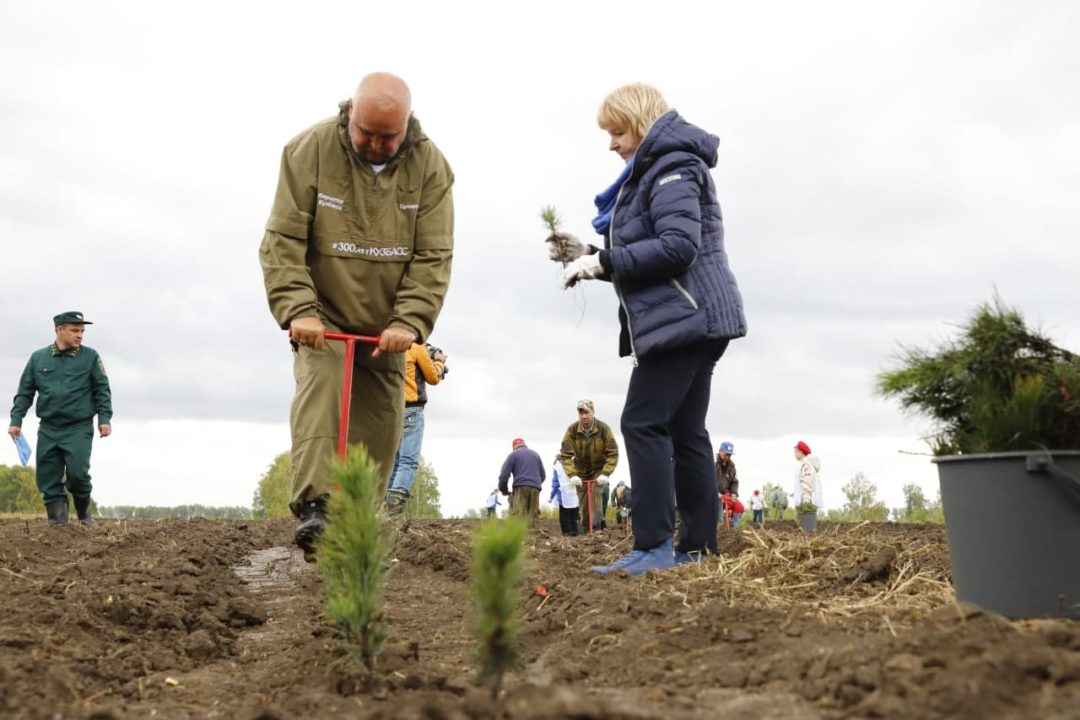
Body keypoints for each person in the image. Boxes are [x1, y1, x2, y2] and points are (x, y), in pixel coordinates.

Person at [259, 72, 454, 555]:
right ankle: (317, 508)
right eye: (366, 132)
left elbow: (433, 256)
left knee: (382, 420)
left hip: (388, 326)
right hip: (320, 317)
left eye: (387, 136)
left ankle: (360, 515)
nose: (375, 143)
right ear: (351, 113)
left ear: (406, 124)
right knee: (323, 389)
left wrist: (409, 322)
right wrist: (299, 309)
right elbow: (282, 240)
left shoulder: (431, 168)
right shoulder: (309, 151)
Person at [559, 83, 747, 575]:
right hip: (695, 318)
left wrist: (605, 262)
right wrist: (588, 254)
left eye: (618, 131)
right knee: (685, 430)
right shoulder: (661, 169)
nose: (613, 144)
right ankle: (698, 548)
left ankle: (653, 547)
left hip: (686, 321)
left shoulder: (671, 167)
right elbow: (647, 252)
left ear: (641, 124)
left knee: (642, 422)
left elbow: (676, 247)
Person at [8, 312, 112, 526]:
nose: (80, 335)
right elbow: (25, 392)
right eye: (75, 330)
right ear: (59, 330)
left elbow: (102, 389)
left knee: (78, 475)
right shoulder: (39, 358)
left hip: (78, 427)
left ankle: (84, 515)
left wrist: (104, 418)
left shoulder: (90, 357)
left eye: (82, 331)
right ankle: (58, 526)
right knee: (47, 478)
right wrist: (16, 420)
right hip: (48, 427)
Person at [384, 342, 447, 517]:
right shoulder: (416, 347)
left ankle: (385, 509)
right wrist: (440, 362)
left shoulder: (387, 346)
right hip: (412, 409)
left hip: (390, 411)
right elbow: (433, 377)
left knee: (394, 462)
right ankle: (393, 512)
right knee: (407, 462)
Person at [559, 399, 619, 534]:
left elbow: (613, 453)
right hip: (580, 472)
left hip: (599, 471)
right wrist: (572, 474)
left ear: (593, 412)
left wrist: (606, 472)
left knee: (596, 496)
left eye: (587, 412)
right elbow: (566, 455)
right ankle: (587, 531)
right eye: (581, 413)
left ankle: (597, 528)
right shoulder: (572, 430)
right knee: (584, 505)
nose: (584, 416)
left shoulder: (603, 429)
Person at [498, 438, 545, 526]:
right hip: (536, 488)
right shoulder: (536, 455)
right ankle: (534, 537)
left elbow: (504, 474)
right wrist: (534, 483)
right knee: (533, 516)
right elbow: (543, 475)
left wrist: (503, 489)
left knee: (519, 515)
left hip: (521, 487)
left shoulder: (513, 455)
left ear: (514, 446)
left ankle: (521, 538)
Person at [548, 453, 581, 536]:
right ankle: (576, 532)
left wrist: (551, 496)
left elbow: (556, 484)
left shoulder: (557, 468)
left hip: (563, 496)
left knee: (564, 516)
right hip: (574, 495)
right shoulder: (574, 466)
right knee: (574, 516)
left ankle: (567, 533)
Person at [793, 440, 824, 510]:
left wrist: (806, 502)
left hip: (806, 503)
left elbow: (807, 483)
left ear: (801, 452)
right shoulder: (804, 464)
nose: (795, 454)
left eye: (796, 452)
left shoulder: (805, 465)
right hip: (805, 502)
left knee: (807, 520)